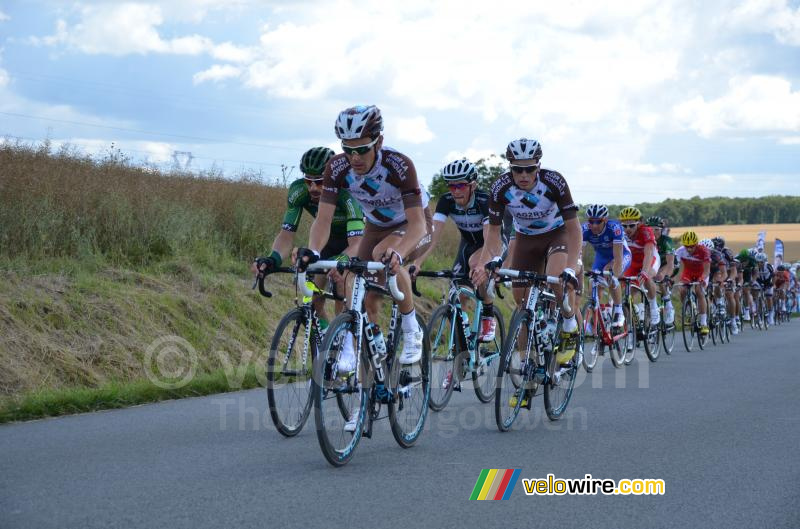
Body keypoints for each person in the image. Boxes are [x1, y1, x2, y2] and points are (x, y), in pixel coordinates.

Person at [298, 105, 432, 375]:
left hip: (414, 224)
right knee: (351, 278)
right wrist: (313, 251)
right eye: (347, 149)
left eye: (361, 149)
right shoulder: (336, 167)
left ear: (379, 142)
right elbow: (322, 220)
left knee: (387, 253)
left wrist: (399, 253)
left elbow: (418, 226)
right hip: (377, 225)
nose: (354, 157)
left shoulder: (399, 165)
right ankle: (354, 346)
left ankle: (411, 328)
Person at [471, 138, 581, 372]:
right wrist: (490, 259)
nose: (523, 174)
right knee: (522, 303)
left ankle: (569, 323)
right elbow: (492, 232)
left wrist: (571, 267)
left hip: (557, 234)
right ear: (510, 167)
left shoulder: (554, 182)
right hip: (525, 239)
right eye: (517, 169)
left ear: (538, 167)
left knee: (556, 280)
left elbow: (574, 229)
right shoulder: (501, 187)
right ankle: (526, 365)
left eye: (529, 168)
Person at [252, 147, 364, 326]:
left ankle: (348, 345)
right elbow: (286, 235)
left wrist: (342, 261)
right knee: (313, 303)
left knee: (341, 295)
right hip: (327, 241)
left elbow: (357, 243)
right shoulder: (299, 192)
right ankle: (329, 347)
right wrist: (273, 258)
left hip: (355, 243)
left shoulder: (348, 194)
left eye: (320, 182)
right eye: (308, 180)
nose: (313, 188)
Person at [410, 158, 510, 342]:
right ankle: (461, 353)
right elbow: (433, 234)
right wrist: (417, 262)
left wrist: (482, 265)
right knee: (457, 293)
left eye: (461, 186)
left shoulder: (484, 201)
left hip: (493, 243)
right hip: (468, 244)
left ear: (473, 185)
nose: (455, 191)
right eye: (451, 186)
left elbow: (490, 237)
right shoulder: (446, 201)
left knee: (476, 265)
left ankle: (488, 316)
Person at [582, 204, 631, 328]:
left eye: (598, 222)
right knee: (593, 283)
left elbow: (618, 257)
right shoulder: (585, 230)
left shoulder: (615, 228)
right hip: (601, 257)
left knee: (610, 275)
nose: (594, 225)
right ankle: (596, 323)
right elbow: (579, 254)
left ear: (605, 220)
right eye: (591, 221)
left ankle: (619, 311)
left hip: (620, 255)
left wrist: (614, 273)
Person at [619, 207, 661, 326]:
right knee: (627, 293)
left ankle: (653, 308)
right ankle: (633, 320)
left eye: (631, 225)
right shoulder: (620, 233)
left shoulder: (646, 231)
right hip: (632, 262)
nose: (627, 229)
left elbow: (648, 253)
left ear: (639, 223)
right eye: (624, 226)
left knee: (646, 277)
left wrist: (644, 271)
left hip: (649, 259)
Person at [674, 231, 711, 335]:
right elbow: (674, 266)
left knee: (699, 291)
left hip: (701, 273)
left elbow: (707, 270)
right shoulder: (680, 251)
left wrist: (702, 279)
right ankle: (689, 310)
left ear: (696, 244)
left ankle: (703, 323)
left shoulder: (704, 251)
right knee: (682, 289)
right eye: (687, 247)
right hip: (688, 273)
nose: (689, 249)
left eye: (692, 246)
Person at [646, 216, 676, 325]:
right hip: (653, 265)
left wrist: (664, 275)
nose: (654, 232)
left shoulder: (666, 241)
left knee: (661, 280)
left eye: (657, 230)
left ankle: (669, 306)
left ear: (661, 230)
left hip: (667, 264)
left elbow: (670, 263)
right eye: (650, 229)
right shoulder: (646, 240)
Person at [712, 236, 740, 334]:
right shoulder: (711, 253)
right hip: (717, 274)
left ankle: (733, 321)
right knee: (714, 287)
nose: (716, 249)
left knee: (729, 294)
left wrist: (731, 279)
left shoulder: (727, 253)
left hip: (727, 273)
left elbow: (734, 270)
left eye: (718, 247)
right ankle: (714, 309)